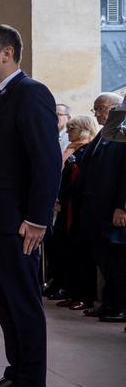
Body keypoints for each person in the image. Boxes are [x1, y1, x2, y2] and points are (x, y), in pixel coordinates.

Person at [0, 24, 61, 387]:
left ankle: (33, 385)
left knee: (23, 302)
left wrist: (37, 219)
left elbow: (47, 161)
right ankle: (15, 374)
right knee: (4, 301)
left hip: (17, 223)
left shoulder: (31, 93)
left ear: (7, 54)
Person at [78, 96, 126, 322]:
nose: (97, 113)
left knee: (116, 261)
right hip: (96, 209)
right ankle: (109, 303)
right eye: (95, 109)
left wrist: (121, 207)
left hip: (112, 209)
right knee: (104, 260)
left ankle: (120, 306)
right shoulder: (105, 134)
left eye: (102, 108)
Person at [50, 115, 100, 309]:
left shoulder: (85, 150)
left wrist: (63, 195)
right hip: (66, 207)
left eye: (72, 129)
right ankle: (71, 291)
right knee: (66, 249)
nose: (68, 132)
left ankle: (83, 296)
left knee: (81, 253)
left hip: (77, 208)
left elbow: (80, 180)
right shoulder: (72, 149)